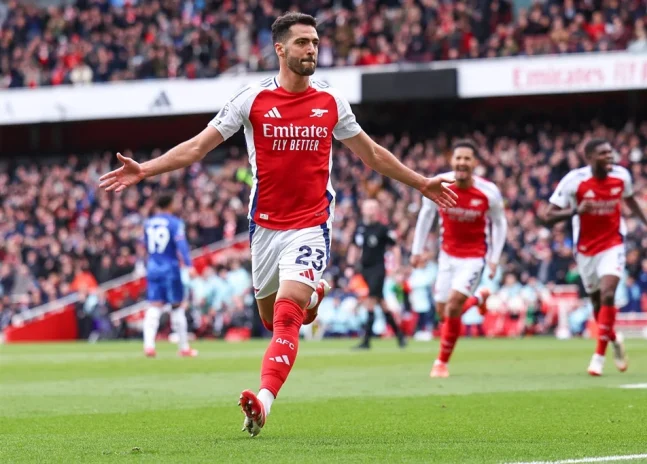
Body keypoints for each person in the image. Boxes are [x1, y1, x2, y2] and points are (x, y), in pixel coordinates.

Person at [98, 12, 456, 437]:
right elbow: (197, 147)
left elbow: (372, 154)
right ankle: (315, 295)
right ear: (280, 49)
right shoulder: (250, 100)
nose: (312, 50)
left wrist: (421, 184)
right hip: (264, 228)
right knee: (273, 320)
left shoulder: (331, 102)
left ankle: (263, 403)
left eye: (316, 43)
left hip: (311, 223)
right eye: (303, 42)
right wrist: (146, 170)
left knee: (286, 317)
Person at [542, 138, 647, 376]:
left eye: (610, 153)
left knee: (609, 294)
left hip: (613, 243)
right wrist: (576, 210)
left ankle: (598, 356)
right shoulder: (574, 181)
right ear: (589, 158)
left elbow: (630, 201)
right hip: (586, 249)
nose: (609, 157)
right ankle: (614, 338)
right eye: (603, 154)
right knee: (597, 304)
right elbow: (547, 216)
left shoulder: (621, 176)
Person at [411, 140, 507, 378]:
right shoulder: (440, 184)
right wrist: (417, 249)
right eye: (458, 158)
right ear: (452, 161)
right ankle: (478, 299)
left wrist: (494, 258)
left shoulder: (488, 191)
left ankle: (441, 362)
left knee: (453, 305)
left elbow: (500, 223)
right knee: (443, 313)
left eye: (467, 158)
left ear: (475, 163)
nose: (462, 162)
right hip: (447, 256)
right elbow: (425, 216)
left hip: (474, 257)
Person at [142, 193, 198, 358]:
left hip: (153, 267)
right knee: (177, 306)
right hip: (170, 269)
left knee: (154, 306)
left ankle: (149, 346)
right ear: (170, 204)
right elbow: (182, 245)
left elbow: (145, 245)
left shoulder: (148, 224)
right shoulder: (175, 223)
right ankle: (183, 348)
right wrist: (189, 265)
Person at [347, 199, 406, 349]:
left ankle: (366, 340)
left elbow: (395, 247)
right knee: (382, 304)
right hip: (364, 269)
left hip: (378, 269)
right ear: (363, 210)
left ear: (377, 210)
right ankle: (400, 336)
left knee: (371, 301)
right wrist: (350, 265)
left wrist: (397, 267)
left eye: (374, 208)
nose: (371, 211)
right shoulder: (360, 228)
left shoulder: (382, 229)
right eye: (369, 208)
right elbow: (354, 247)